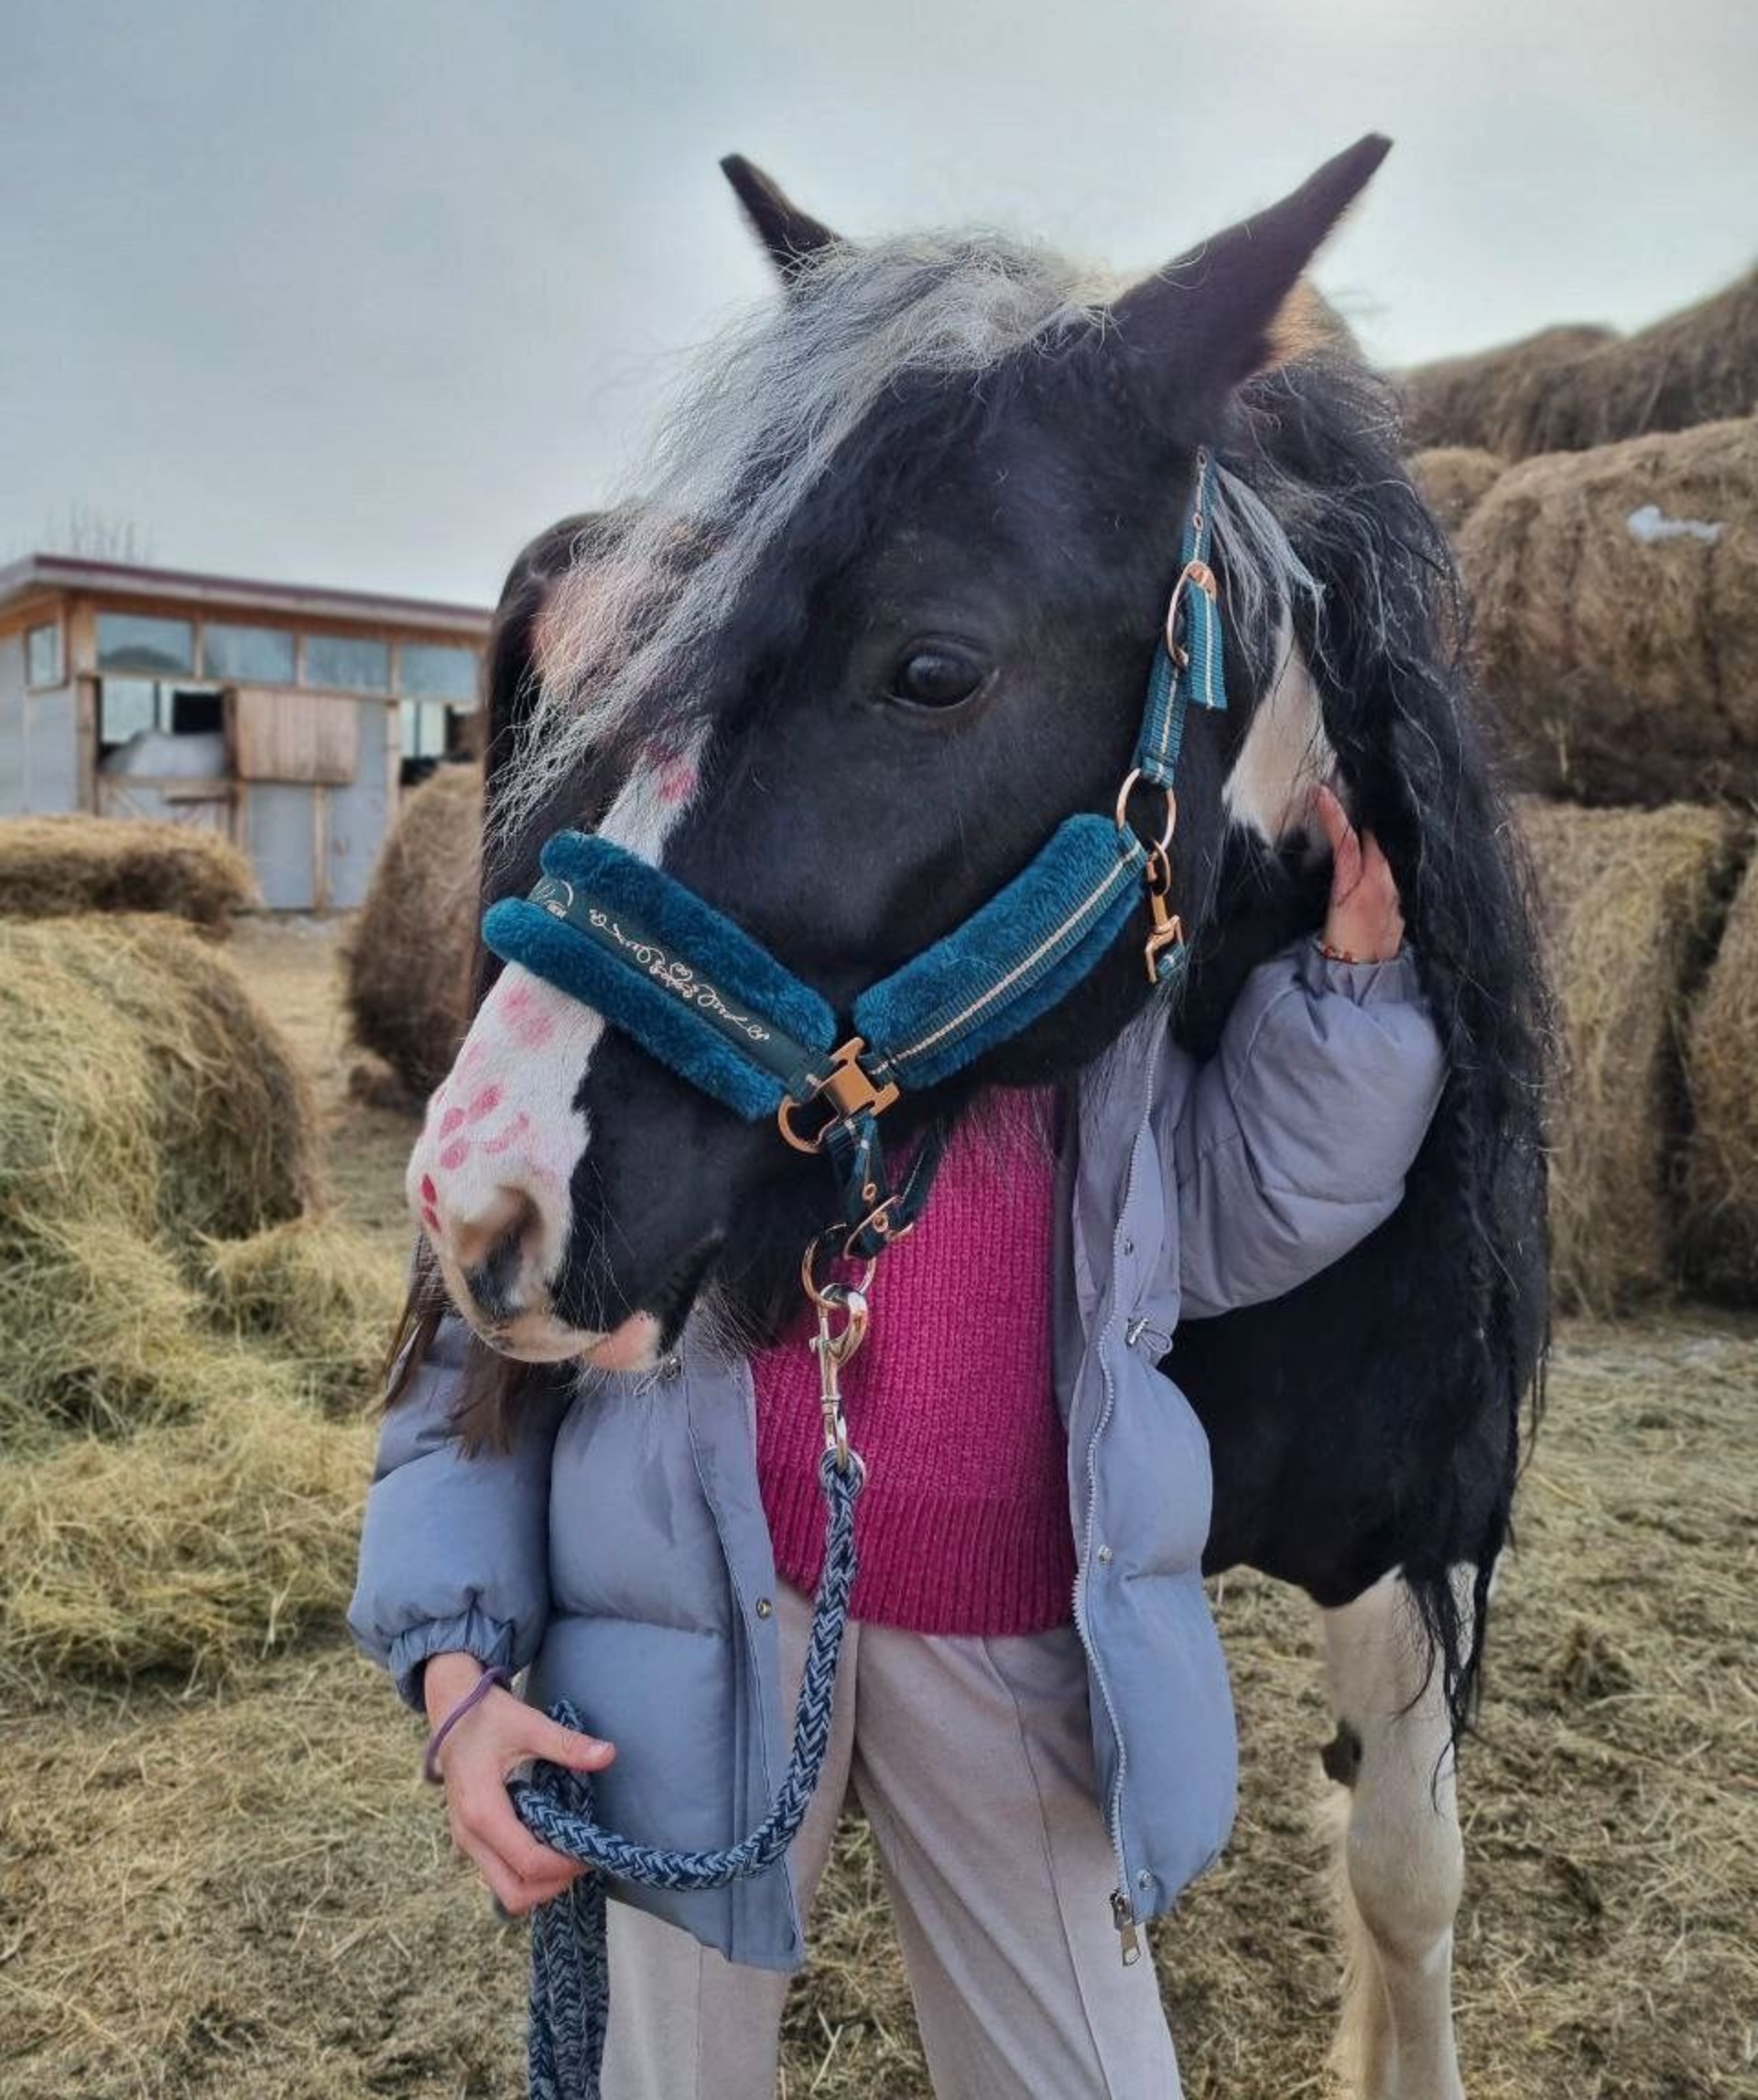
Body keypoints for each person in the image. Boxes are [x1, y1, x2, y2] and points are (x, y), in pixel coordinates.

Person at [351, 783, 1447, 2099]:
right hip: (697, 1620)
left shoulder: (1081, 910)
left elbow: (1201, 1221)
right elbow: (476, 1334)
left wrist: (1349, 1009)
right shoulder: (693, 838)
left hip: (1007, 1620)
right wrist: (455, 1671)